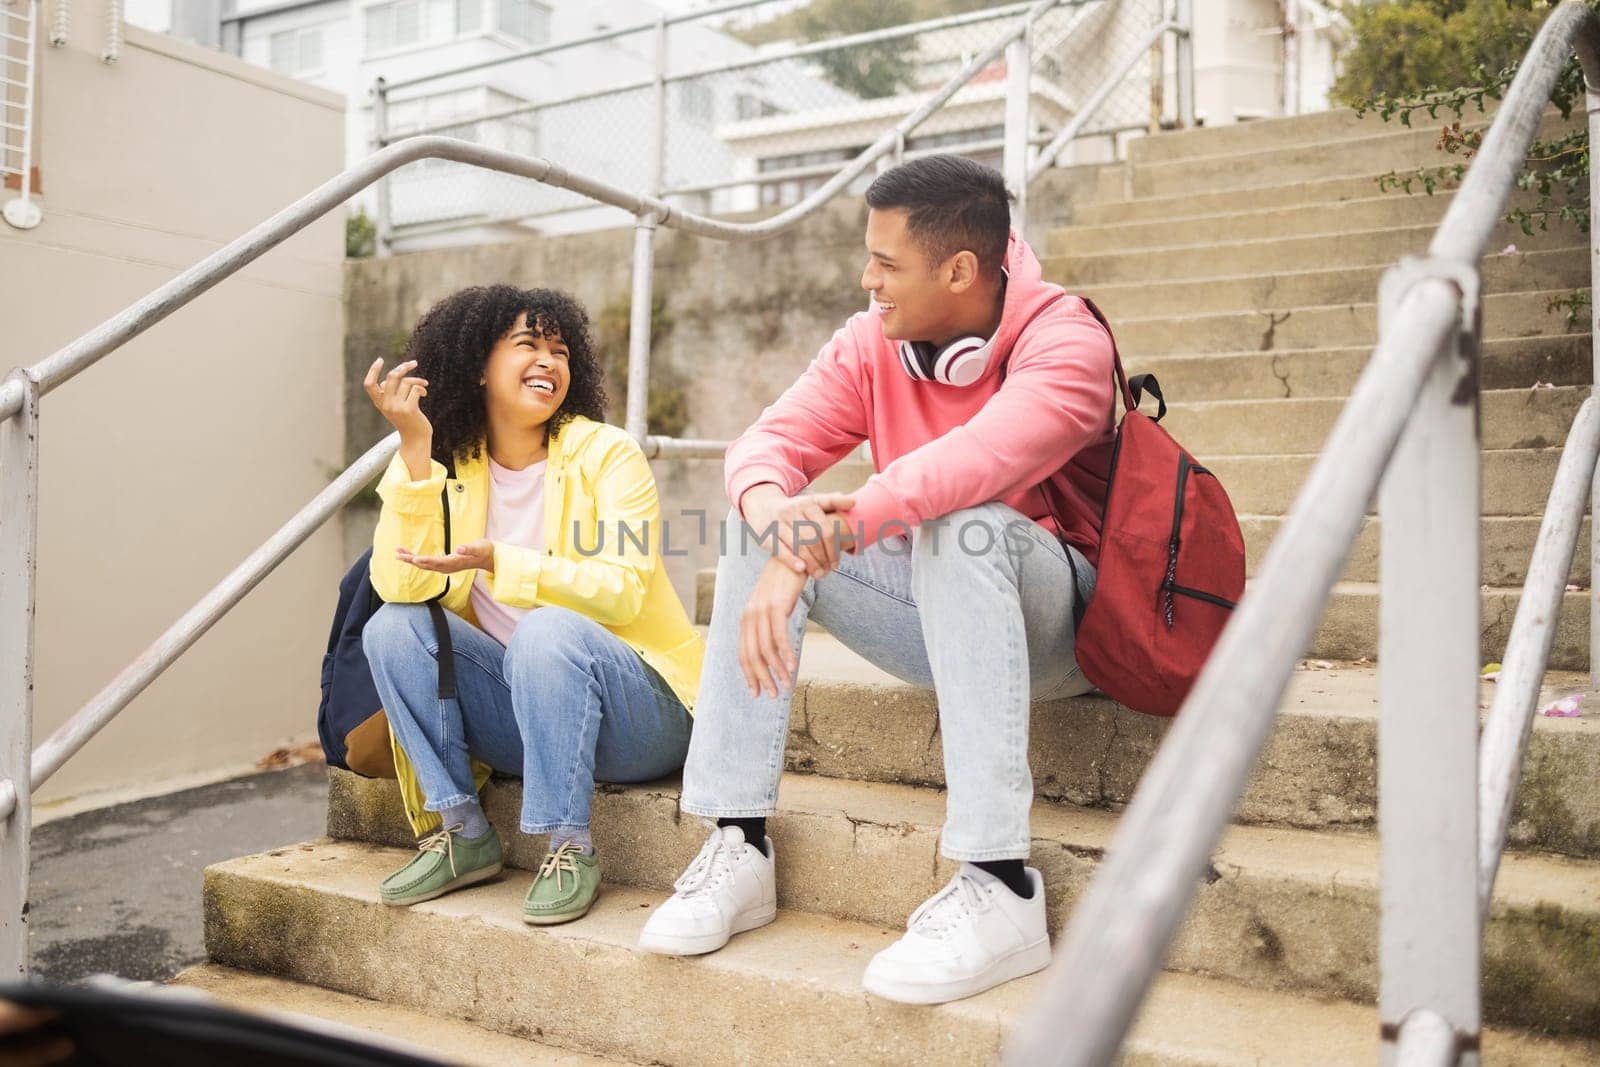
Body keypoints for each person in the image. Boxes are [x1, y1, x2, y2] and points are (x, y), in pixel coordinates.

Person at [637, 155, 1116, 1004]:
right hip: (940, 621)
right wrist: (781, 526)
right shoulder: (871, 341)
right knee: (766, 522)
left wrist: (838, 527)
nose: (868, 280)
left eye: (886, 263)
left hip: (1064, 630)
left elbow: (967, 466)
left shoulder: (1067, 341)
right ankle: (738, 841)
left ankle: (1001, 884)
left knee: (958, 520)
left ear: (960, 269)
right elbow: (764, 444)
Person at [361, 285, 703, 926]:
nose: (549, 360)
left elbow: (624, 585)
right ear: (478, 367)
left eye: (560, 350)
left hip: (640, 715)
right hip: (526, 716)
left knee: (545, 633)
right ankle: (463, 833)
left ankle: (568, 847)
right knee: (394, 628)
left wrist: (503, 562)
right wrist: (413, 450)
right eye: (527, 345)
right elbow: (399, 585)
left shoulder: (609, 455)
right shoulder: (447, 464)